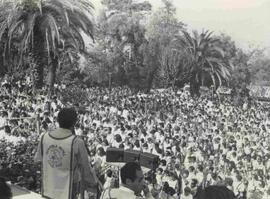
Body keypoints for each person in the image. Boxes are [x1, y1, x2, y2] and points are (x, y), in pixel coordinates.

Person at [34, 108, 98, 199]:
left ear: (58, 120)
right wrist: (94, 182)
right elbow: (86, 170)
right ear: (74, 123)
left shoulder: (44, 137)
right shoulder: (77, 142)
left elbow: (37, 159)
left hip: (48, 187)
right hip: (68, 190)